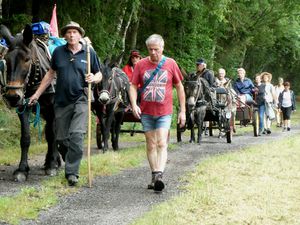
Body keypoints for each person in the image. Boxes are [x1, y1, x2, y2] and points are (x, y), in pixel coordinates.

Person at [29, 21, 102, 186]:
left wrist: (93, 78)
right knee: (61, 139)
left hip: (82, 99)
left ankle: (71, 173)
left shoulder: (88, 52)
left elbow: (99, 74)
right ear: (64, 35)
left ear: (79, 35)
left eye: (74, 32)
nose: (71, 35)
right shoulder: (58, 52)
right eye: (68, 32)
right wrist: (36, 94)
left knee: (76, 135)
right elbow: (50, 74)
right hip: (61, 100)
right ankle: (71, 159)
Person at [129, 34, 186, 192]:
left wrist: (183, 111)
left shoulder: (170, 63)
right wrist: (134, 104)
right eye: (150, 49)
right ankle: (154, 175)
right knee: (150, 143)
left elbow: (179, 86)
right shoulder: (141, 64)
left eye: (156, 49)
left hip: (164, 111)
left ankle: (159, 175)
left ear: (162, 48)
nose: (153, 52)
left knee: (161, 142)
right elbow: (133, 86)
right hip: (146, 111)